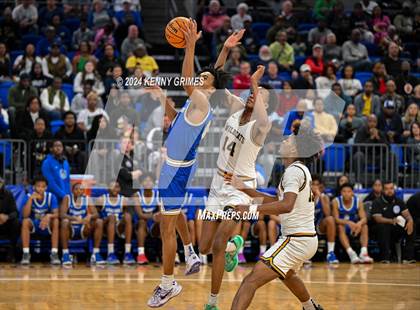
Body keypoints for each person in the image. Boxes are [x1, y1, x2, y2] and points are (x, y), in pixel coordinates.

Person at [147, 20, 234, 308]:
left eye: (204, 76)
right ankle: (190, 252)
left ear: (209, 85)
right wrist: (160, 95)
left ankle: (168, 284)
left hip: (177, 168)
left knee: (165, 228)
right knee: (171, 216)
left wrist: (189, 45)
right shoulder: (197, 103)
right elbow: (174, 115)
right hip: (175, 166)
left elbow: (188, 79)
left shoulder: (204, 102)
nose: (199, 76)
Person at [228, 125, 324, 310]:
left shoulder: (294, 171)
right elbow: (277, 200)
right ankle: (311, 307)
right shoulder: (298, 170)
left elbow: (285, 206)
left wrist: (249, 209)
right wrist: (243, 188)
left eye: (288, 139)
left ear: (295, 149)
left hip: (296, 240)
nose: (284, 140)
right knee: (286, 274)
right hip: (304, 239)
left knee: (250, 281)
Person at [200, 66, 271, 310]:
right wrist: (226, 50)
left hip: (241, 188)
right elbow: (217, 85)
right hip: (218, 184)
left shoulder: (260, 128)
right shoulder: (235, 109)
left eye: (261, 95)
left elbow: (262, 119)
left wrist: (254, 83)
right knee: (204, 246)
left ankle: (212, 302)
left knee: (219, 241)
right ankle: (235, 245)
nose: (254, 95)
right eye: (253, 92)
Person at [60, 182, 105, 265]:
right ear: (72, 191)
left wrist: (90, 217)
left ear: (83, 191)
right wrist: (74, 218)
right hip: (71, 229)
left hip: (84, 229)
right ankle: (65, 254)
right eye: (76, 189)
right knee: (64, 222)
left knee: (99, 221)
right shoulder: (67, 198)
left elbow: (96, 214)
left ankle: (95, 253)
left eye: (81, 189)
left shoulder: (87, 199)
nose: (78, 191)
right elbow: (62, 214)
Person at [20, 175, 60, 265]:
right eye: (38, 186)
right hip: (34, 224)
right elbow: (25, 215)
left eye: (43, 186)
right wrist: (30, 200)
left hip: (46, 225)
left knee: (56, 220)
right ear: (34, 187)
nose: (40, 189)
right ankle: (26, 253)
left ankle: (54, 253)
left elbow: (57, 213)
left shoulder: (51, 197)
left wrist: (49, 216)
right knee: (25, 221)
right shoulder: (28, 196)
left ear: (46, 187)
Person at [372, 181, 415, 263]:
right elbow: (378, 219)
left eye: (391, 188)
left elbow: (407, 214)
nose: (389, 191)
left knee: (411, 225)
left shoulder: (399, 201)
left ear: (394, 189)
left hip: (396, 228)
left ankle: (408, 257)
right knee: (383, 227)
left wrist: (410, 220)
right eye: (387, 189)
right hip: (381, 229)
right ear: (383, 190)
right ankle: (385, 258)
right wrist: (391, 221)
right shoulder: (377, 202)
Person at [332, 183, 374, 263]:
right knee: (340, 226)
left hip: (354, 226)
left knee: (364, 226)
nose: (346, 193)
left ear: (352, 193)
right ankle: (351, 253)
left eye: (349, 191)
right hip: (342, 227)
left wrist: (359, 224)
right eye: (344, 191)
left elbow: (364, 218)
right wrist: (348, 223)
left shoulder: (358, 201)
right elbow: (336, 219)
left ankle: (364, 253)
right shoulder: (336, 201)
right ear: (341, 192)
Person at [99, 181, 135, 265]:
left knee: (127, 216)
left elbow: (126, 216)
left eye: (117, 186)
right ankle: (110, 253)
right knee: (111, 217)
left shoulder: (124, 200)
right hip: (105, 227)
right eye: (113, 186)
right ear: (108, 188)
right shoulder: (101, 199)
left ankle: (127, 253)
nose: (115, 188)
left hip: (119, 228)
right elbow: (98, 217)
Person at [312, 175, 338, 264]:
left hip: (318, 225)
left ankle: (330, 253)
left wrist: (320, 196)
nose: (315, 186)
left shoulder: (324, 197)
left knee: (330, 219)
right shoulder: (303, 196)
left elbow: (327, 214)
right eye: (313, 184)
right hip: (305, 224)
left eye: (317, 184)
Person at [135, 173, 161, 264]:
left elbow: (161, 212)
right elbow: (140, 214)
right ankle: (141, 254)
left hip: (154, 223)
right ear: (142, 183)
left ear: (154, 183)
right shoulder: (137, 195)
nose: (148, 182)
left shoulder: (158, 194)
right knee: (142, 222)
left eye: (150, 181)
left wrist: (158, 216)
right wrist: (153, 216)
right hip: (142, 223)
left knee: (163, 222)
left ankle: (166, 253)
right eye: (145, 181)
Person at [0, 178, 19, 262]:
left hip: (5, 224)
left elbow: (15, 212)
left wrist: (7, 217)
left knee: (16, 223)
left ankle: (11, 253)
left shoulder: (8, 194)